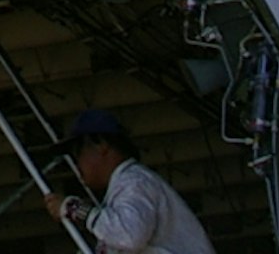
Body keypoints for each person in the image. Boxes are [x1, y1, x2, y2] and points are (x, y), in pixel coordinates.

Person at [56, 107, 216, 254]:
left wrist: (74, 209)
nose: (76, 165)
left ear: (101, 145)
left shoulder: (135, 181)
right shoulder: (124, 187)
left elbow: (129, 235)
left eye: (78, 154)